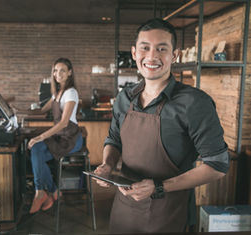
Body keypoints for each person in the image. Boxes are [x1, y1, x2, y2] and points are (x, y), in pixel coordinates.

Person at [94, 18, 230, 233]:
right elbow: (114, 139)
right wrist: (107, 165)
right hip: (124, 209)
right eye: (145, 48)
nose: (152, 56)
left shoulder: (195, 103)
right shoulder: (124, 98)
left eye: (161, 49)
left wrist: (158, 187)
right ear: (134, 53)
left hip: (168, 213)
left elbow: (217, 165)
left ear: (174, 55)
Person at [27, 58, 83, 214]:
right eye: (56, 70)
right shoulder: (57, 93)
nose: (58, 74)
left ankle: (46, 192)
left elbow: (64, 122)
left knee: (37, 147)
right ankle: (46, 191)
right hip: (60, 137)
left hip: (71, 139)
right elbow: (41, 111)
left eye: (62, 70)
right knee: (36, 150)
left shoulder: (71, 92)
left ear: (70, 73)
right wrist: (16, 110)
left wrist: (41, 136)